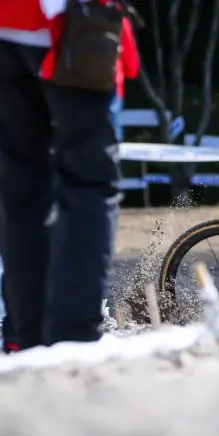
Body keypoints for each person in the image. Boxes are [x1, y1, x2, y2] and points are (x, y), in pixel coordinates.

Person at [0, 0, 122, 352]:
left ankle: (28, 340)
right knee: (90, 182)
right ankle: (75, 340)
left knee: (21, 190)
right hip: (69, 22)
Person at [109, 15, 140, 142]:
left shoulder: (71, 12)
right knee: (111, 140)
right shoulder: (117, 18)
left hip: (74, 84)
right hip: (111, 83)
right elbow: (132, 67)